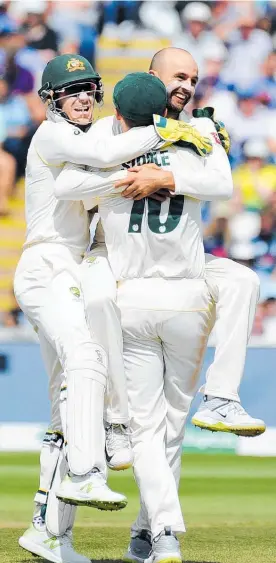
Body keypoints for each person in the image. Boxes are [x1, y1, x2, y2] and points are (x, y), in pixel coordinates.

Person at [14, 53, 199, 563]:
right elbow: (104, 157)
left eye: (89, 90)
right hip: (48, 263)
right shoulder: (54, 136)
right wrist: (168, 131)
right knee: (87, 360)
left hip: (71, 266)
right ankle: (86, 472)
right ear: (50, 100)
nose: (82, 99)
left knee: (66, 409)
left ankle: (50, 534)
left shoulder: (85, 142)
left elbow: (102, 169)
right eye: (71, 92)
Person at [54, 70, 233, 563]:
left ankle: (164, 533)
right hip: (189, 301)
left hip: (134, 300)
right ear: (161, 111)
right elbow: (223, 182)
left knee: (147, 430)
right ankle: (150, 531)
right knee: (172, 426)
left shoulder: (110, 162)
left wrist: (118, 175)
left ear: (118, 116)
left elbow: (66, 188)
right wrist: (200, 139)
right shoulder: (193, 148)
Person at [114, 47, 265, 438]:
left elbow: (221, 184)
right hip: (132, 272)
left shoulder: (200, 129)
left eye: (194, 80)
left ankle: (220, 396)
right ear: (150, 75)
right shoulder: (115, 130)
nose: (187, 86)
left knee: (244, 280)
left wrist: (166, 179)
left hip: (189, 267)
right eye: (179, 76)